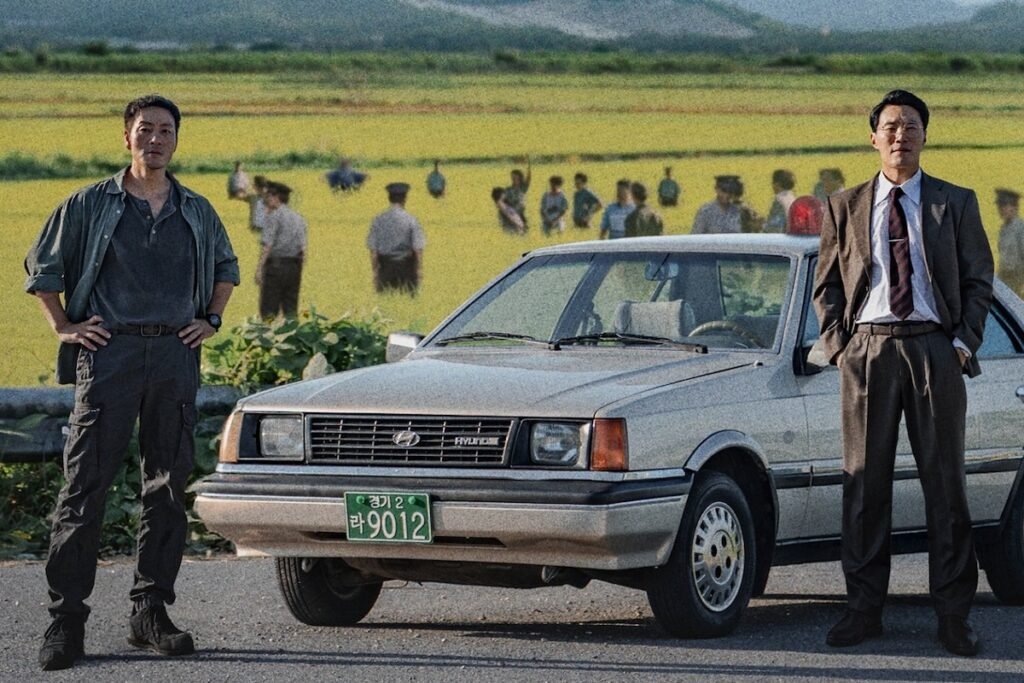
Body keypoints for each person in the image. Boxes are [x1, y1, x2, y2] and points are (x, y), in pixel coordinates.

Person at [23, 94, 239, 671]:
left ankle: (151, 612)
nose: (155, 139)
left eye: (166, 131)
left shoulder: (196, 208)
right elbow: (42, 269)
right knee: (84, 485)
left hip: (175, 354)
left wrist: (210, 320)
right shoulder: (90, 204)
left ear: (176, 140)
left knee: (167, 488)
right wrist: (65, 326)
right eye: (145, 129)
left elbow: (226, 268)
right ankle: (65, 622)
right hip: (110, 352)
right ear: (127, 138)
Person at [814, 90, 993, 657]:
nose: (899, 136)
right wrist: (841, 346)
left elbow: (978, 279)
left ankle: (953, 616)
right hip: (868, 353)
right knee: (864, 486)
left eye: (910, 126)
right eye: (890, 127)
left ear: (924, 135)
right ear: (873, 138)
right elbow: (827, 287)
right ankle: (863, 610)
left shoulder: (954, 202)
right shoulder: (844, 205)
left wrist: (962, 344)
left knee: (946, 488)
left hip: (934, 351)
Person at [256, 181, 307, 318]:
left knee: (269, 309)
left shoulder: (273, 217)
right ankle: (294, 337)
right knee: (291, 308)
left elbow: (267, 245)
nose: (265, 200)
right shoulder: (299, 218)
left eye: (267, 196)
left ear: (275, 196)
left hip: (276, 267)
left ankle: (267, 338)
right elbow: (303, 250)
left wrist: (259, 269)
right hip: (294, 266)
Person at [368, 182, 426, 294]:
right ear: (404, 198)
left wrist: (375, 272)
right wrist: (418, 271)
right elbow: (417, 249)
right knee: (408, 304)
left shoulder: (378, 220)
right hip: (406, 269)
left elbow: (373, 250)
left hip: (385, 269)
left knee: (385, 305)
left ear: (389, 198)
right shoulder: (411, 220)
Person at [995, 188, 1024, 297]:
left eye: (1004, 206)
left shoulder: (1021, 228)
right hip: (1005, 280)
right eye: (999, 207)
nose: (1001, 210)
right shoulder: (1004, 229)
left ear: (1014, 207)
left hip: (1017, 282)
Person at [503, 159, 531, 229]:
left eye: (515, 177)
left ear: (520, 178)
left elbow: (528, 178)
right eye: (512, 177)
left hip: (520, 214)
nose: (513, 179)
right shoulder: (508, 189)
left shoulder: (522, 188)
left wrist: (528, 165)